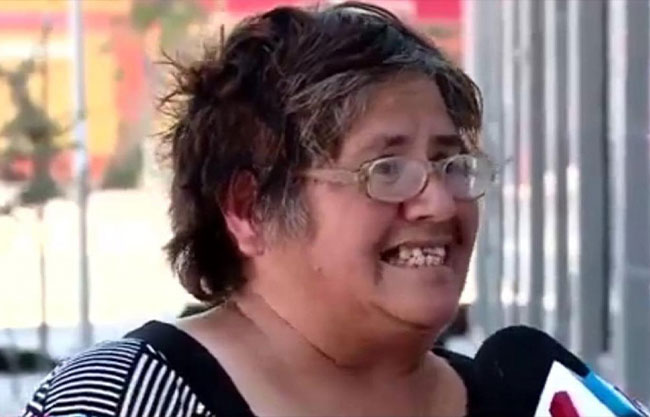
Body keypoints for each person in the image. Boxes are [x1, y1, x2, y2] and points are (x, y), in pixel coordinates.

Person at [22, 1, 494, 416]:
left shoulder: (519, 400)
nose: (439, 203)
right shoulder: (127, 399)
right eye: (386, 170)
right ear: (249, 209)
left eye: (450, 164)